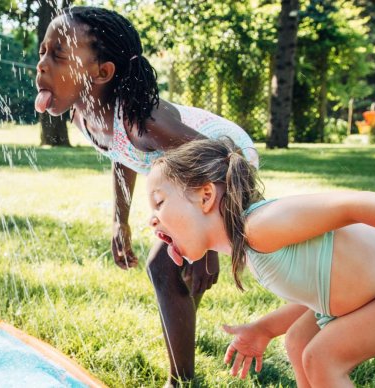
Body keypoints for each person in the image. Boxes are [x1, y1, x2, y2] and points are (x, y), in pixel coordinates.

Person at [145, 137, 375, 387]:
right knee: (299, 343)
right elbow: (320, 291)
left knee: (323, 357)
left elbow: (352, 205)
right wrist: (265, 329)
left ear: (206, 195)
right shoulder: (251, 246)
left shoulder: (260, 225)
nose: (152, 218)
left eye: (159, 202)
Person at [33, 6, 258, 384]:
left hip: (225, 160)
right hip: (188, 173)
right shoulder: (85, 116)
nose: (41, 64)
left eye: (58, 55)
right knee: (176, 269)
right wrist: (119, 221)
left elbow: (222, 161)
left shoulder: (145, 122)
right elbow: (121, 156)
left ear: (102, 73)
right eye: (42, 52)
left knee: (163, 266)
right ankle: (184, 323)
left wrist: (212, 238)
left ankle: (180, 380)